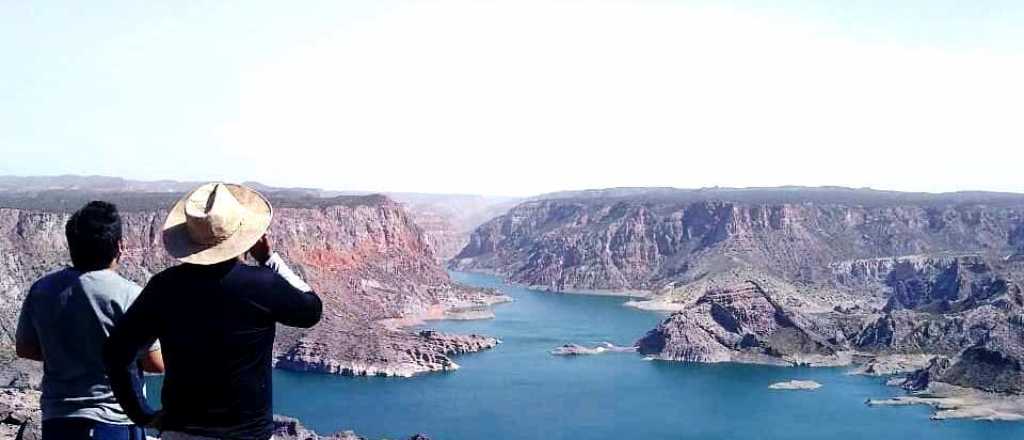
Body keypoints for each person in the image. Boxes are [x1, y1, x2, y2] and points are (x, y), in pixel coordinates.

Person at [104, 182, 322, 440]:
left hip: (180, 432)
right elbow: (312, 309)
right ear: (243, 235)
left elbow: (117, 352)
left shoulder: (164, 287)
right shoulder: (262, 284)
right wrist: (269, 259)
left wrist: (141, 414)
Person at [15, 201, 165, 440]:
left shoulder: (42, 289)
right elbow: (155, 364)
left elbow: (25, 348)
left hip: (58, 418)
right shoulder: (129, 295)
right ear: (120, 246)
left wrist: (67, 351)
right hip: (114, 419)